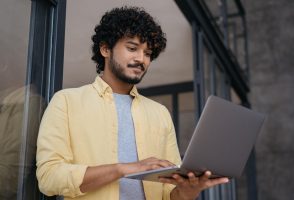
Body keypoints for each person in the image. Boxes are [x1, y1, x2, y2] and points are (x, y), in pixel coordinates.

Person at [36, 6, 229, 200]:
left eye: (148, 53)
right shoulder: (67, 101)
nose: (141, 59)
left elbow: (169, 194)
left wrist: (188, 191)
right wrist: (123, 168)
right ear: (105, 49)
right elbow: (49, 177)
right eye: (132, 48)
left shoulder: (160, 113)